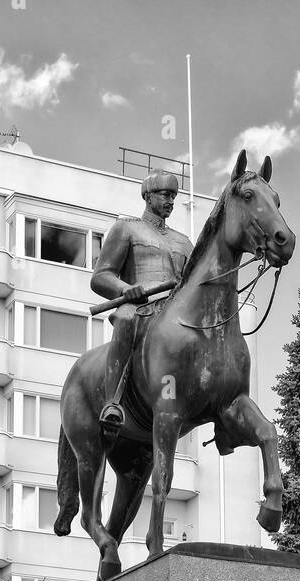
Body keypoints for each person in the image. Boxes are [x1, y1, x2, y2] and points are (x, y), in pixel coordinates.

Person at [91, 170, 193, 442]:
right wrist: (126, 289)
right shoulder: (127, 228)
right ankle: (112, 402)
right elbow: (100, 276)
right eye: (164, 194)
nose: (170, 200)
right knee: (124, 320)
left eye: (173, 195)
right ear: (148, 196)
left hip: (175, 313)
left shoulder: (184, 241)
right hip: (140, 308)